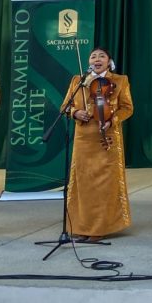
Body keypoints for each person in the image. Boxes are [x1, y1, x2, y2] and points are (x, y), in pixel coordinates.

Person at [58, 46, 134, 242]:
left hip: (107, 137)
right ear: (89, 61)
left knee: (104, 184)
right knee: (84, 183)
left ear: (109, 61)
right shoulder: (78, 80)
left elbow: (127, 108)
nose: (97, 59)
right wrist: (75, 113)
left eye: (102, 56)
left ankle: (101, 227)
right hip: (83, 137)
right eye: (93, 56)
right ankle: (82, 226)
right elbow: (65, 106)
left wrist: (112, 120)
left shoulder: (119, 80)